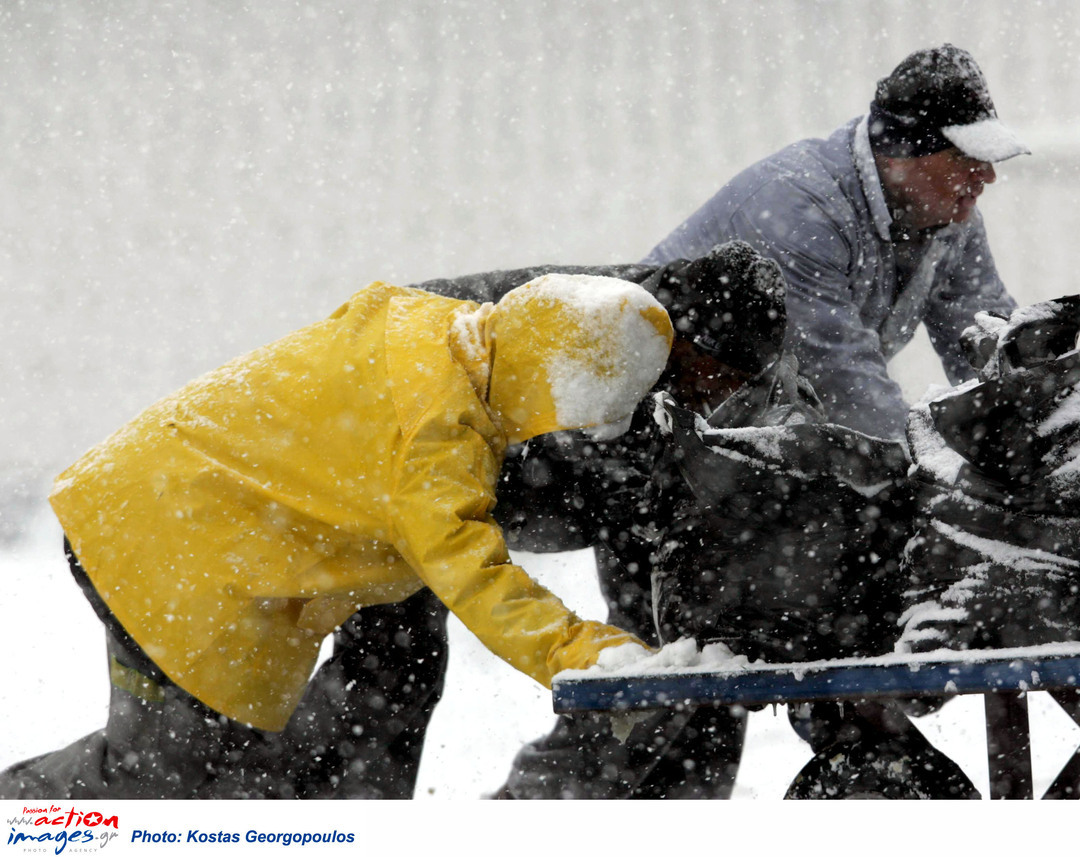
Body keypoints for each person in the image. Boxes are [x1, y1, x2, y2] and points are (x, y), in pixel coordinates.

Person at [0, 273, 678, 799]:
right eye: (580, 413)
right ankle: (22, 811)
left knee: (236, 763)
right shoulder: (438, 437)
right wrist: (583, 651)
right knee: (167, 778)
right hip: (166, 552)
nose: (576, 432)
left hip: (159, 505)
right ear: (549, 384)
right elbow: (476, 574)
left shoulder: (437, 329)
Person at [490, 242, 797, 799]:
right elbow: (597, 460)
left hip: (585, 488)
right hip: (399, 438)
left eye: (741, 382)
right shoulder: (603, 335)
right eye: (717, 375)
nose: (720, 395)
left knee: (702, 647)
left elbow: (785, 437)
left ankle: (673, 816)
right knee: (390, 667)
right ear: (682, 344)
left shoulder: (736, 349)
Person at [645, 44, 1028, 440]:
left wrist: (1033, 422)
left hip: (734, 432)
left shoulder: (950, 218)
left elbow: (988, 343)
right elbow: (844, 386)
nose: (987, 175)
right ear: (898, 155)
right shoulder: (796, 207)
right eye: (965, 157)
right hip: (645, 427)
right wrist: (925, 464)